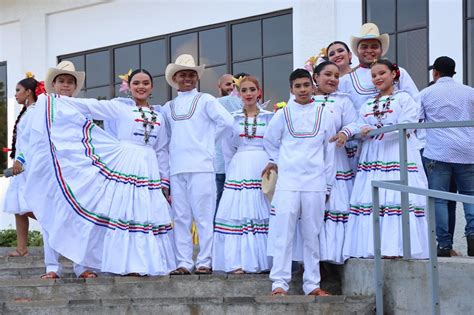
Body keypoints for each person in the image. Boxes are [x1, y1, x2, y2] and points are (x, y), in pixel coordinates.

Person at [26, 64, 176, 277]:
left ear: (152, 87)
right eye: (136, 83)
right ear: (129, 87)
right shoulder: (121, 108)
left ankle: (144, 264)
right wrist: (53, 100)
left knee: (147, 214)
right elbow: (90, 106)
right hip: (126, 164)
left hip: (149, 166)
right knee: (126, 213)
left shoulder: (160, 116)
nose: (141, 87)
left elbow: (161, 150)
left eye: (145, 83)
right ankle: (127, 265)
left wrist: (164, 181)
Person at [332, 59, 429, 259]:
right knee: (372, 196)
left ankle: (396, 248)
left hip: (397, 152)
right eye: (374, 75)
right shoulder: (368, 103)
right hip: (373, 156)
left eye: (382, 73)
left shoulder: (405, 99)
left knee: (395, 195)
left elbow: (407, 126)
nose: (377, 78)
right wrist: (345, 132)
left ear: (394, 74)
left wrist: (376, 131)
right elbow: (359, 124)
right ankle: (373, 247)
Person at [262, 68, 336, 296]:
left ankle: (312, 284)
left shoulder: (324, 113)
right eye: (298, 86)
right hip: (288, 182)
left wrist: (328, 184)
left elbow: (329, 150)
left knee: (312, 234)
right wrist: (277, 162)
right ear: (291, 89)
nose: (303, 90)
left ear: (313, 86)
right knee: (283, 233)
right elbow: (270, 141)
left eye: (306, 85)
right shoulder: (282, 114)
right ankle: (279, 284)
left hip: (314, 182)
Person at [161, 54, 233, 275]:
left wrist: (208, 144)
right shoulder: (167, 107)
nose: (188, 78)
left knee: (203, 216)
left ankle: (205, 260)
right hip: (177, 168)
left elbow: (227, 121)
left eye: (192, 74)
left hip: (201, 166)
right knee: (180, 217)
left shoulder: (206, 100)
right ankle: (183, 262)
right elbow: (165, 141)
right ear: (175, 78)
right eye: (183, 74)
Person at [212, 76, 273, 273]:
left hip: (262, 166)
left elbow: (275, 144)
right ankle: (236, 262)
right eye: (244, 90)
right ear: (239, 94)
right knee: (237, 213)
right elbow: (227, 148)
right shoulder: (233, 119)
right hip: (239, 167)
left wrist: (274, 164)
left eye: (251, 90)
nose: (248, 94)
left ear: (259, 92)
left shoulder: (270, 117)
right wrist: (230, 173)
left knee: (261, 211)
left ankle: (264, 261)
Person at [418, 56, 474, 257]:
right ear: (454, 72)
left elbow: (416, 120)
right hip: (467, 152)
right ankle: (473, 237)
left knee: (440, 199)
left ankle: (443, 245)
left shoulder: (426, 93)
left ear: (436, 73)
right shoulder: (469, 92)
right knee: (470, 196)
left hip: (438, 152)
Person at [310, 61, 358, 264]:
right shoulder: (305, 99)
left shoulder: (344, 101)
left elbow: (355, 123)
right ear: (316, 77)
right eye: (327, 74)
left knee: (335, 204)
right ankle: (311, 261)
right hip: (310, 160)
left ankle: (333, 258)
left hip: (336, 159)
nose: (332, 79)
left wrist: (344, 133)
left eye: (336, 76)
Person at [3, 74, 44, 257]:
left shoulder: (35, 112)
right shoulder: (27, 112)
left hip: (28, 165)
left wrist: (20, 159)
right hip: (21, 166)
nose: (16, 95)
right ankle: (22, 248)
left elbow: (32, 141)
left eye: (18, 91)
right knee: (18, 207)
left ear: (28, 92)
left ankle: (62, 225)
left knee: (29, 205)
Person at [215, 74, 243, 208]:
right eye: (228, 84)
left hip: (235, 161)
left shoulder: (240, 102)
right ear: (219, 86)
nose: (231, 87)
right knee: (221, 200)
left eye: (233, 84)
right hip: (219, 163)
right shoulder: (213, 103)